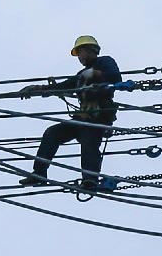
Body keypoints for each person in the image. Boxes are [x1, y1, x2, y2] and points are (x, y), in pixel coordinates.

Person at [19, 35, 127, 190]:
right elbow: (64, 86)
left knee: (89, 142)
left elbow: (115, 77)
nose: (79, 57)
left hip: (97, 118)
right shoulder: (80, 75)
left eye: (80, 52)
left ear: (90, 50)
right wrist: (38, 89)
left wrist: (95, 74)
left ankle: (90, 180)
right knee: (52, 133)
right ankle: (39, 173)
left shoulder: (105, 62)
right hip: (81, 118)